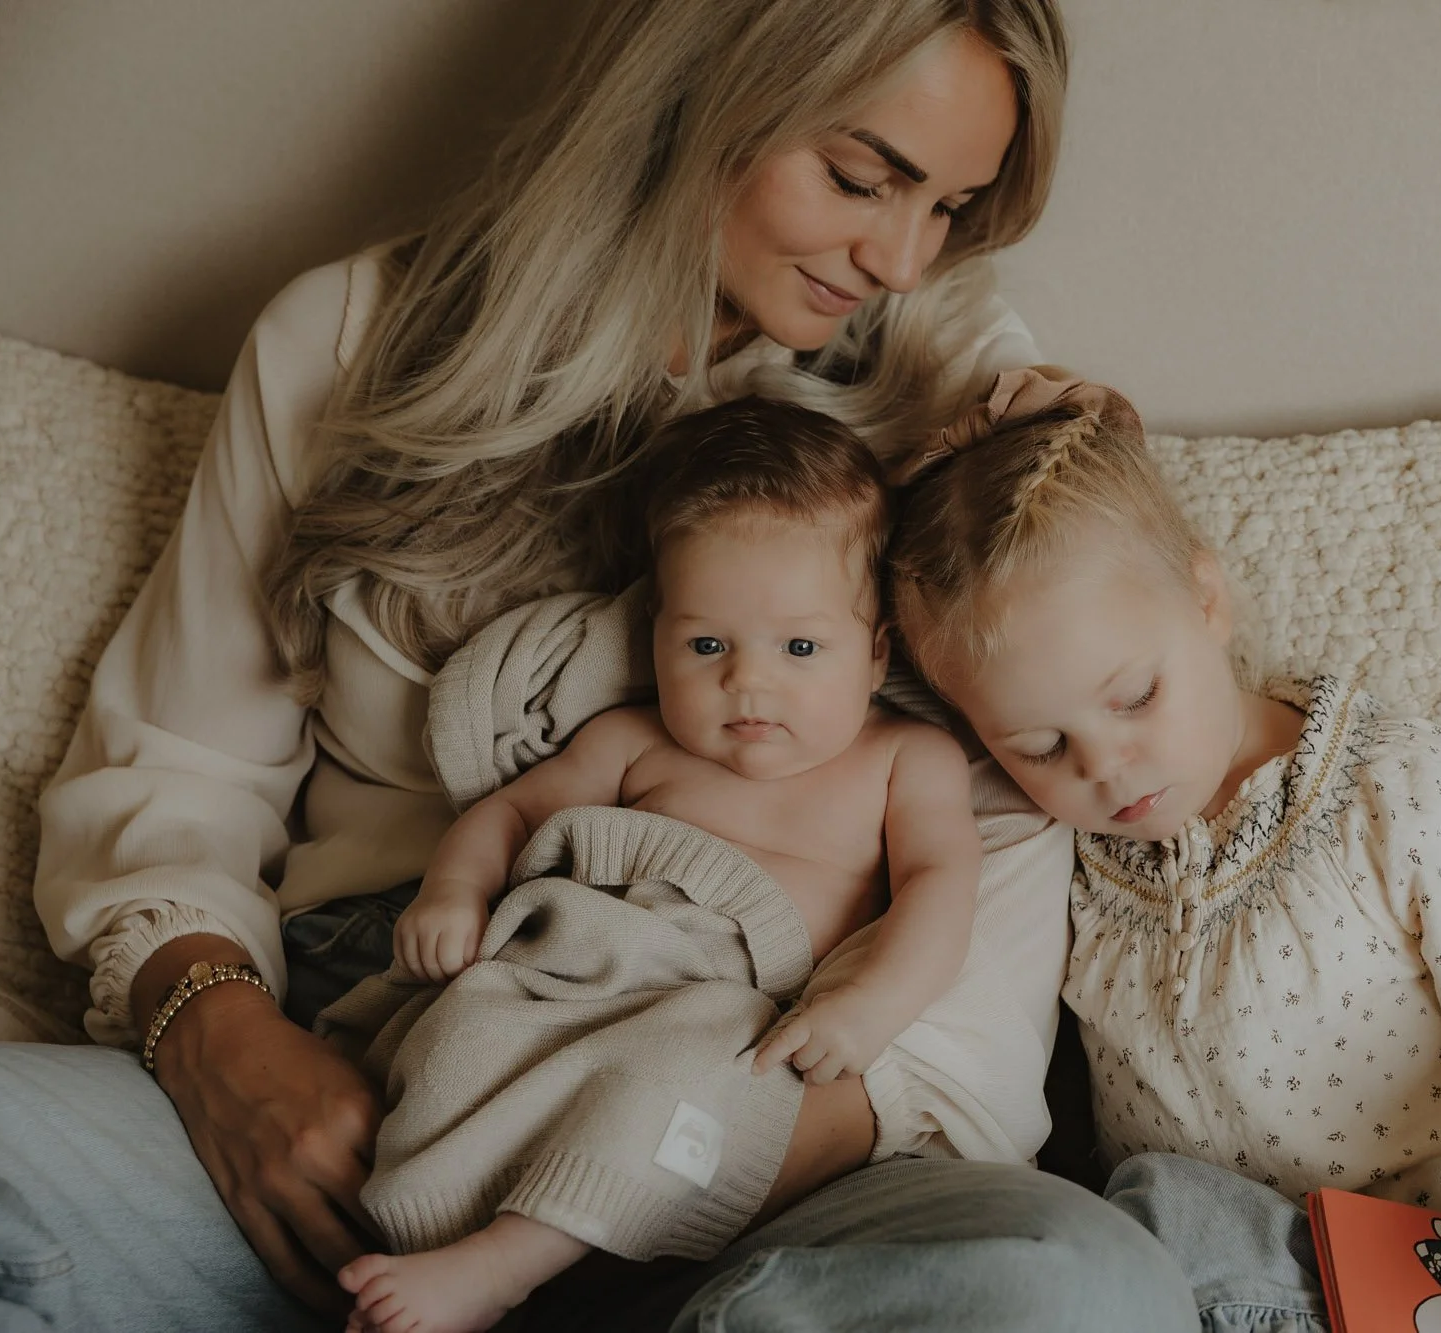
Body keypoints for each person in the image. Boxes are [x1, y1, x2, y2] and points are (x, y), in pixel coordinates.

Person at [0, 4, 1199, 1330]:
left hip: (753, 1130)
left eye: (951, 209)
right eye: (861, 179)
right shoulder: (352, 343)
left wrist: (616, 1198)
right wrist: (216, 1033)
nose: (904, 260)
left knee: (1079, 1285)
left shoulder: (948, 392)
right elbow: (179, 763)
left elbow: (1009, 839)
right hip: (379, 1078)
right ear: (700, 86)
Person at [885, 368, 1441, 1330]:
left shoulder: (1378, 785)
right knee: (1151, 1214)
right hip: (1277, 1265)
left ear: (1207, 599)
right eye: (1041, 746)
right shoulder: (1069, 858)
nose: (1106, 767)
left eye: (1135, 696)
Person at [330, 396, 984, 1333]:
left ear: (875, 652)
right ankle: (422, 1218)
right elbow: (510, 811)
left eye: (801, 646)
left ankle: (509, 1261)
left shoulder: (902, 760)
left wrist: (870, 1004)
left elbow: (941, 887)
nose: (747, 682)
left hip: (723, 1005)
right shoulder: (634, 740)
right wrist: (456, 889)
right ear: (656, 635)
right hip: (572, 972)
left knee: (692, 1082)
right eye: (706, 643)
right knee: (462, 1030)